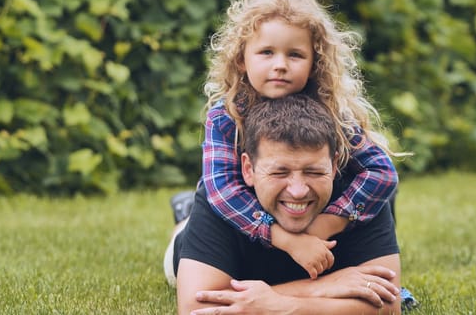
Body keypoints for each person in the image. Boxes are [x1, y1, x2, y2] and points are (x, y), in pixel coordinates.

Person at [198, 0, 410, 280]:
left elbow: (382, 172)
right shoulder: (226, 115)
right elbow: (221, 190)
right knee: (187, 239)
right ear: (242, 59)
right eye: (267, 52)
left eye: (295, 54)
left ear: (315, 62)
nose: (280, 64)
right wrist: (288, 240)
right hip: (242, 222)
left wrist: (328, 222)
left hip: (313, 210)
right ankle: (183, 219)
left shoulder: (333, 111)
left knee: (379, 199)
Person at [164, 94, 402, 314]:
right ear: (248, 169)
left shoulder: (359, 198)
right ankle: (187, 213)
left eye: (313, 171)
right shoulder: (223, 197)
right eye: (280, 172)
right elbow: (198, 308)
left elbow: (389, 304)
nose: (298, 191)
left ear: (334, 164)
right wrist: (323, 287)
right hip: (195, 237)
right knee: (186, 229)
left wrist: (282, 306)